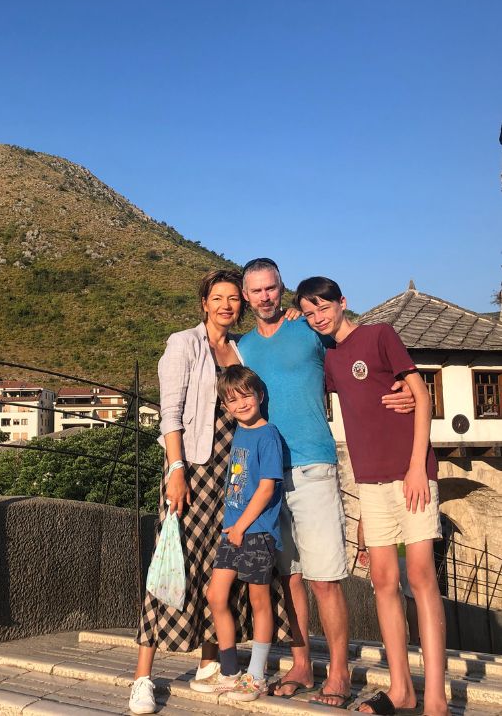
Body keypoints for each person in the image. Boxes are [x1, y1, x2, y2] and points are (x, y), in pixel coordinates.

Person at [238, 258, 413, 707]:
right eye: (256, 290)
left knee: (325, 579)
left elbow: (355, 362)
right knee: (290, 577)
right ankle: (301, 664)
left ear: (282, 289)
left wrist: (405, 390)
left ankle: (338, 671)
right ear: (246, 296)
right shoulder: (245, 349)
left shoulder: (309, 329)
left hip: (314, 465)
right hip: (268, 476)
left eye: (271, 288)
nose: (265, 297)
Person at [129, 269, 291, 715]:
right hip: (193, 467)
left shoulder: (240, 347)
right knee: (171, 560)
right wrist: (175, 468)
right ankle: (143, 676)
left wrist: (292, 315)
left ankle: (210, 663)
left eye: (233, 298)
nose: (227, 305)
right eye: (217, 298)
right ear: (204, 302)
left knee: (215, 566)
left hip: (232, 474)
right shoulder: (184, 343)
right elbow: (170, 412)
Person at [295, 276, 447, 716]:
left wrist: (417, 466)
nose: (318, 317)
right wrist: (291, 317)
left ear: (343, 302)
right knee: (383, 580)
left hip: (411, 474)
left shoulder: (380, 335)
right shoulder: (330, 359)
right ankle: (402, 690)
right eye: (309, 312)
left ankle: (435, 696)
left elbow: (421, 395)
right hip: (370, 482)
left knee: (420, 576)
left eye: (323, 307)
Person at [189, 365, 283, 702]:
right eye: (232, 400)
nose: (240, 403)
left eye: (245, 395)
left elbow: (267, 488)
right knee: (216, 596)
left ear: (259, 395)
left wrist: (241, 526)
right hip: (233, 531)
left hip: (256, 531)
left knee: (259, 601)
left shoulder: (268, 434)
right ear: (225, 407)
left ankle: (255, 675)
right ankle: (230, 673)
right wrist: (234, 528)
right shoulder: (238, 433)